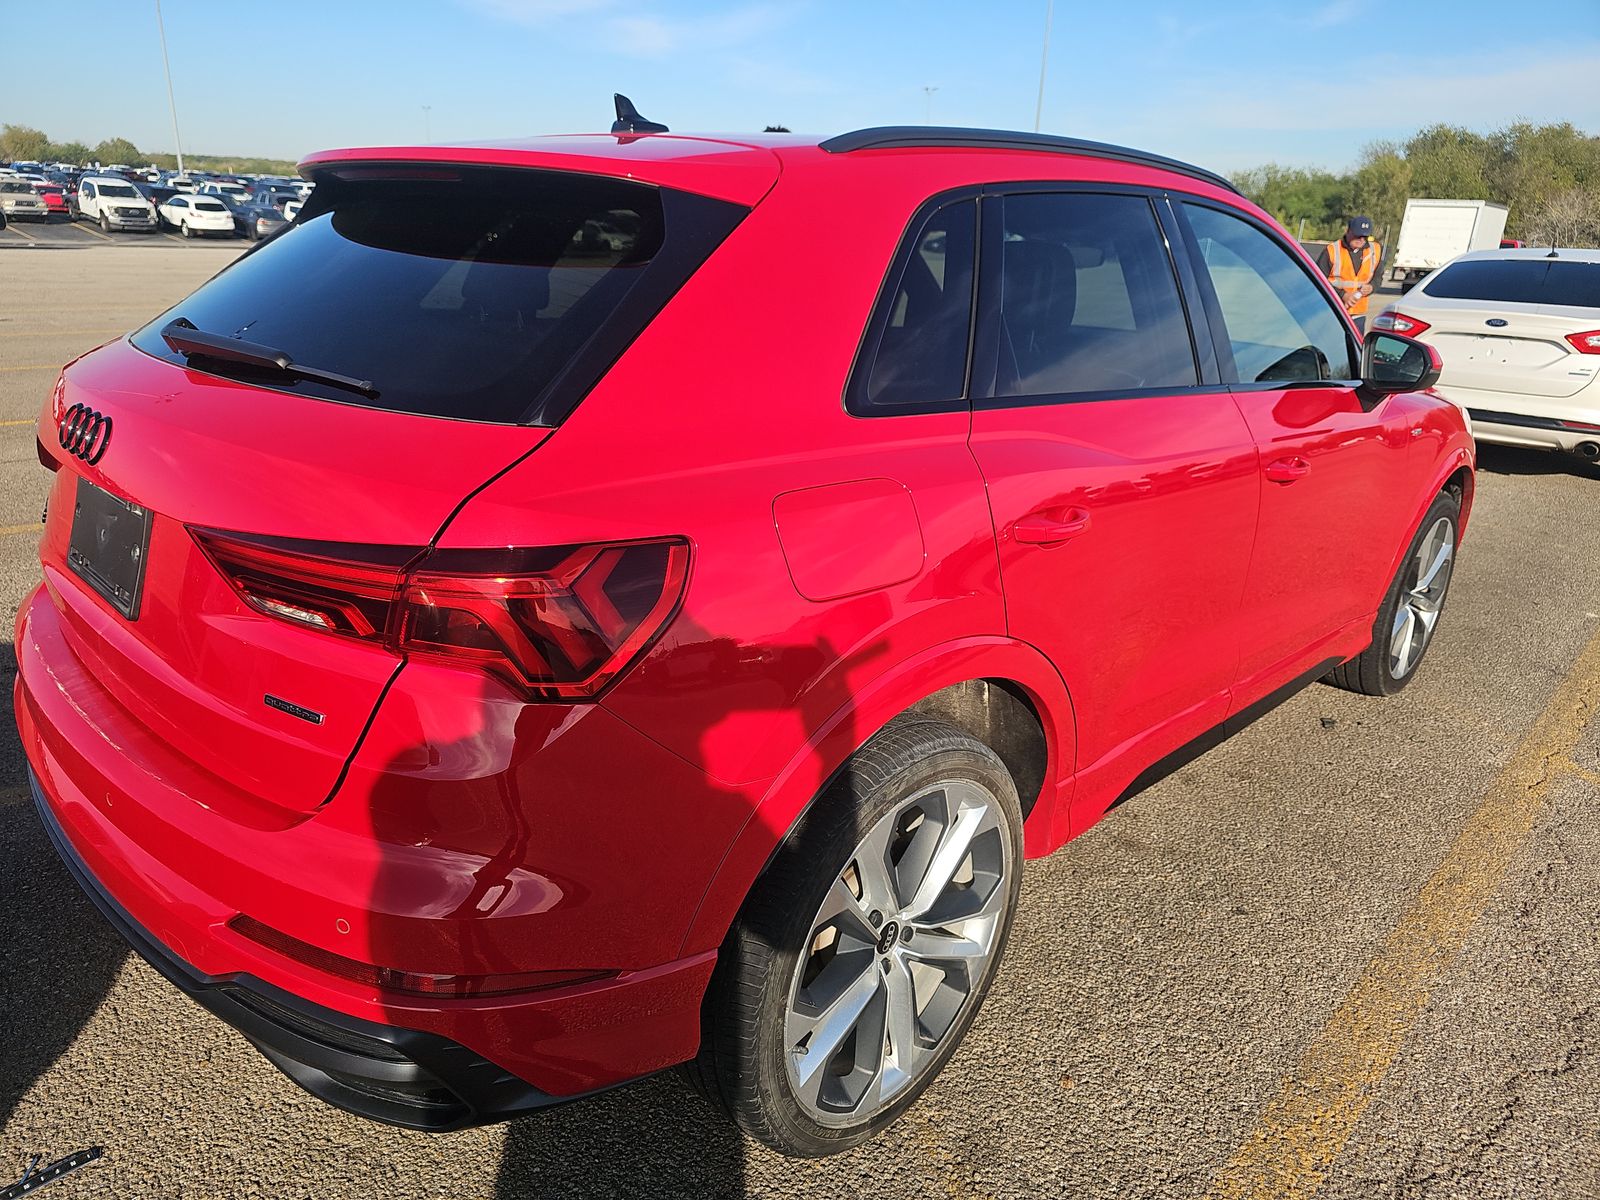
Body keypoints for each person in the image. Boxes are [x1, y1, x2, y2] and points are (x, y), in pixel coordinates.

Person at [1317, 216, 1383, 333]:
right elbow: (1318, 280)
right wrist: (1342, 295)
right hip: (1333, 310)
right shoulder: (1332, 250)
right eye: (1358, 235)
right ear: (1348, 231)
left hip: (1358, 313)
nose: (1361, 239)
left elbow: (1378, 277)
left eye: (1365, 236)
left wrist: (1371, 287)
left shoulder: (1375, 250)